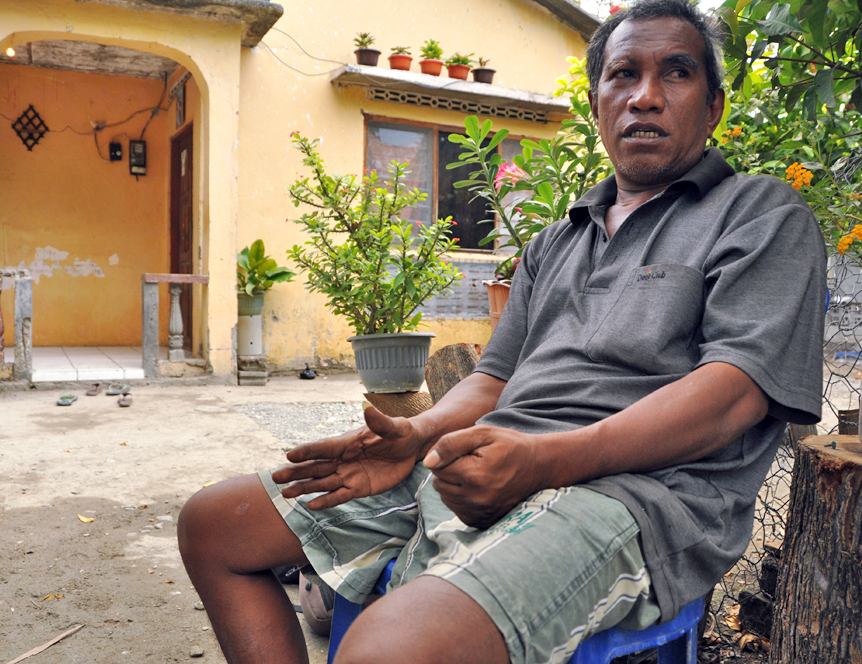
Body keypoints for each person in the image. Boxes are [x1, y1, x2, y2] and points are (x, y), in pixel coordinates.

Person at [177, 1, 827, 662]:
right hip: (505, 465)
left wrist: (547, 461)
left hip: (639, 499)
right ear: (599, 103)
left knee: (388, 647)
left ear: (713, 106)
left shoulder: (759, 213)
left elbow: (736, 392)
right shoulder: (555, 240)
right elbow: (496, 376)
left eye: (677, 74)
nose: (646, 97)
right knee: (215, 527)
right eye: (624, 75)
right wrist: (419, 435)